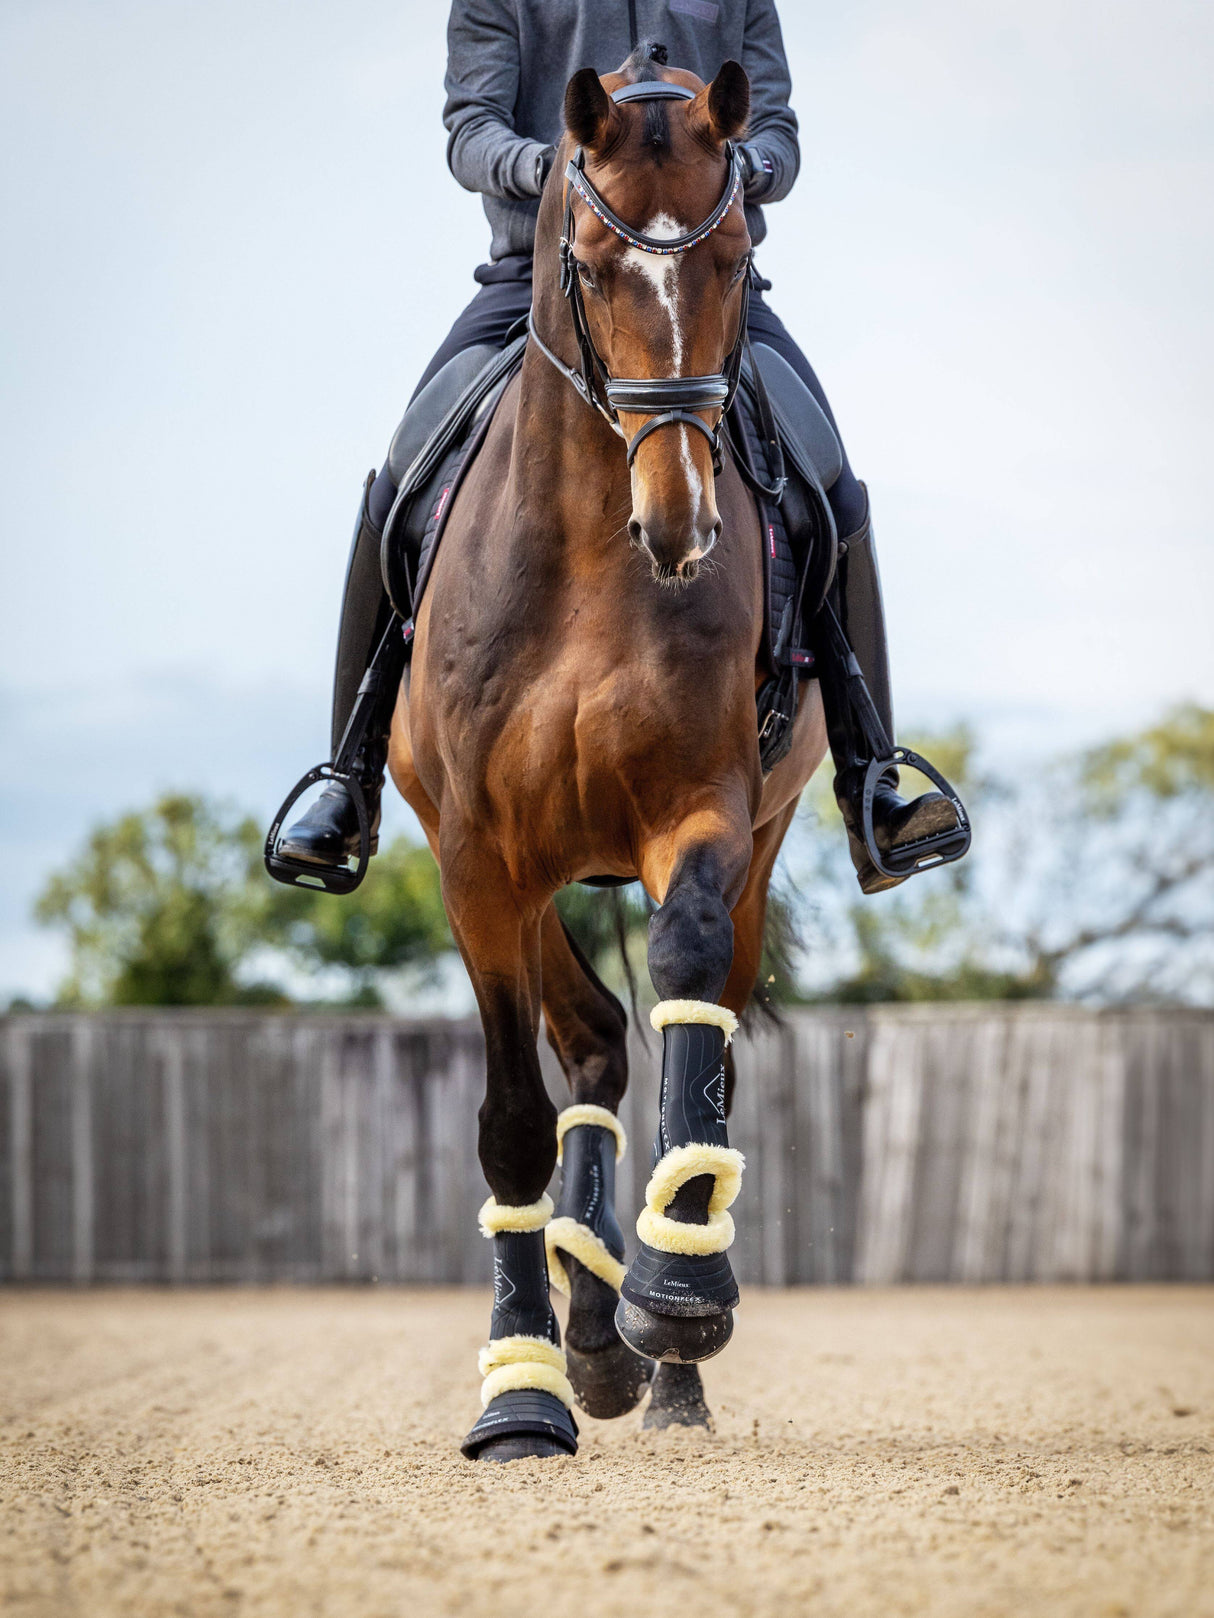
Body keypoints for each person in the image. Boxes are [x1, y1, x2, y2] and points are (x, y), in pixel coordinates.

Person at [276, 0, 961, 894]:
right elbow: (470, 131)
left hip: (700, 278)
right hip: (543, 275)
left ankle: (872, 780)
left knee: (832, 479)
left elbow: (779, 132)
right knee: (400, 479)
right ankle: (350, 781)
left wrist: (732, 161)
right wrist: (563, 165)